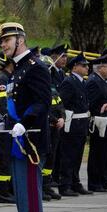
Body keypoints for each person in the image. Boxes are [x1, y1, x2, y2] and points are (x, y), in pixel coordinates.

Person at [0, 22, 52, 212]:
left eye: (7, 40)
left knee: (30, 200)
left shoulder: (35, 67)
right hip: (18, 140)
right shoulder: (17, 69)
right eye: (2, 41)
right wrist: (3, 120)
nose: (3, 45)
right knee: (22, 200)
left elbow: (43, 103)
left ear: (20, 39)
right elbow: (17, 103)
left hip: (30, 142)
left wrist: (25, 122)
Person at [57, 55, 92, 197]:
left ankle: (75, 182)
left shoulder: (82, 82)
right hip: (72, 124)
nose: (87, 68)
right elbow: (62, 103)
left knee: (77, 155)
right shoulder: (69, 82)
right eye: (83, 65)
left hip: (81, 124)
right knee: (68, 156)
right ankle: (65, 185)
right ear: (75, 67)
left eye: (86, 65)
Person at [86, 54, 107, 192]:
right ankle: (94, 182)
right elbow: (91, 103)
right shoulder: (94, 81)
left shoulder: (101, 80)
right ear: (100, 68)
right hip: (100, 123)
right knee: (97, 154)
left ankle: (103, 179)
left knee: (106, 153)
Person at [39, 53, 65, 202]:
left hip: (55, 128)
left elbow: (60, 106)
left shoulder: (53, 89)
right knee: (44, 157)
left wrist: (62, 117)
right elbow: (42, 109)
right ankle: (41, 187)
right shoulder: (39, 89)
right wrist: (55, 120)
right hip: (46, 127)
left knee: (51, 159)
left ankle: (47, 185)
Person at [0, 51, 16, 204]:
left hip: (11, 126)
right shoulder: (3, 79)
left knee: (10, 159)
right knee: (4, 160)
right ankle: (3, 193)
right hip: (4, 127)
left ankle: (9, 190)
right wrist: (10, 118)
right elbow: (1, 104)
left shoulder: (10, 77)